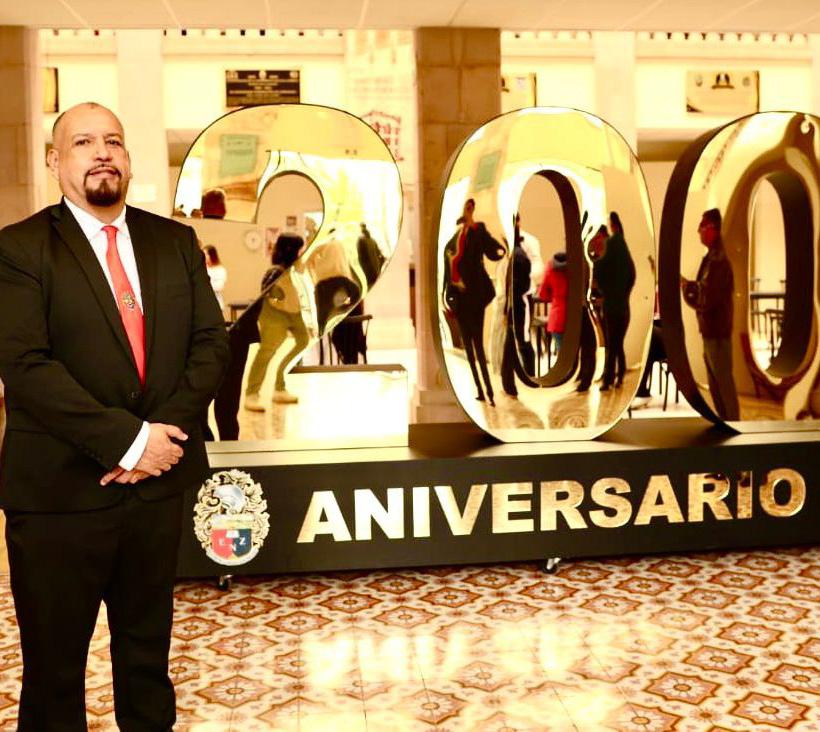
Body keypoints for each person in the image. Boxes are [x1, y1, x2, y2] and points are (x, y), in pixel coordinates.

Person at [0, 102, 230, 729]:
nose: (102, 152)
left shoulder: (174, 242)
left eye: (113, 141)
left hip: (156, 491)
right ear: (55, 161)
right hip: (58, 496)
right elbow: (25, 365)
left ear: (128, 158)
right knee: (53, 674)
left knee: (146, 661)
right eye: (83, 142)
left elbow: (210, 344)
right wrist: (130, 442)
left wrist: (161, 441)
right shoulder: (19, 249)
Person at [443, 198, 506, 406]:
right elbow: (447, 272)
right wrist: (447, 298)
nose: (467, 211)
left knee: (478, 345)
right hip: (460, 300)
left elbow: (493, 250)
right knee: (468, 349)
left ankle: (489, 391)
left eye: (470, 208)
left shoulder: (478, 231)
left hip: (476, 298)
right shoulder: (453, 241)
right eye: (465, 208)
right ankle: (480, 389)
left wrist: (474, 226)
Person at [681, 208, 740, 420]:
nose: (699, 230)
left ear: (713, 229)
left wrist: (687, 287)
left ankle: (736, 427)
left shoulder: (718, 261)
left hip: (717, 334)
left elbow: (707, 297)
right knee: (717, 386)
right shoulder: (713, 259)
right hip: (712, 332)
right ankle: (727, 424)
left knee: (723, 384)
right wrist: (688, 286)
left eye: (702, 226)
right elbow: (706, 291)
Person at [245, 233, 310, 408]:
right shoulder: (276, 271)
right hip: (274, 314)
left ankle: (280, 386)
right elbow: (266, 290)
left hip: (294, 312)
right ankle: (252, 393)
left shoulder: (297, 268)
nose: (303, 252)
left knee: (303, 341)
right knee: (267, 351)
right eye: (300, 249)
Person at [593, 212, 635, 390]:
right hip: (621, 306)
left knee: (613, 344)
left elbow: (600, 272)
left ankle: (609, 379)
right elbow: (631, 275)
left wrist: (605, 292)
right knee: (617, 344)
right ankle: (618, 376)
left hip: (612, 306)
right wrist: (624, 294)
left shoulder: (612, 245)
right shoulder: (622, 246)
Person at [539, 251, 569, 354]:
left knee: (562, 355)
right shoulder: (575, 268)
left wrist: (554, 296)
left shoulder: (550, 268)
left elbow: (542, 294)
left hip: (557, 317)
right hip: (574, 316)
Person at [203, 244, 227, 312]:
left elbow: (219, 286)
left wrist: (205, 285)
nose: (204, 256)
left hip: (216, 304)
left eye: (206, 254)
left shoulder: (220, 270)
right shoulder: (202, 270)